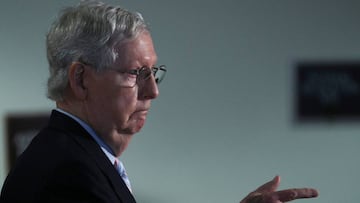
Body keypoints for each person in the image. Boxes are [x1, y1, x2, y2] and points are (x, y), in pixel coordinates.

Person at [0, 1, 318, 203]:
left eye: (153, 72)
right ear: (81, 79)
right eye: (135, 73)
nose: (153, 90)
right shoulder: (69, 174)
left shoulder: (77, 156)